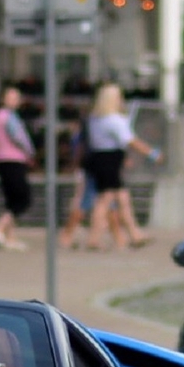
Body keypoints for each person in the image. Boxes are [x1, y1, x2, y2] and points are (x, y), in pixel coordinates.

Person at [79, 84, 158, 250]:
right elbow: (130, 140)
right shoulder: (113, 120)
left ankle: (135, 234)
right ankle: (94, 239)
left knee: (122, 199)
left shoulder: (96, 119)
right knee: (105, 199)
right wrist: (152, 153)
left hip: (101, 159)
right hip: (109, 161)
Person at [0, 86, 33, 250]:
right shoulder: (8, 117)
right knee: (22, 198)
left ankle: (10, 237)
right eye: (11, 97)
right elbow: (19, 138)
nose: (14, 101)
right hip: (13, 159)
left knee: (11, 199)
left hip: (2, 159)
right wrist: (29, 152)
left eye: (16, 97)